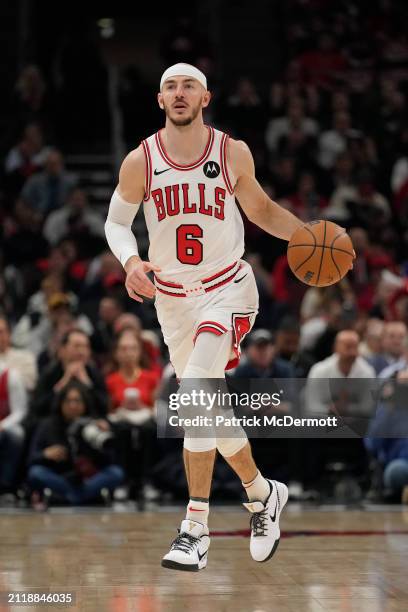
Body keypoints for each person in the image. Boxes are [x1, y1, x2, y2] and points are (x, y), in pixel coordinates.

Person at [104, 62, 306, 572]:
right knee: (206, 405)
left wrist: (307, 234)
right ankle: (263, 494)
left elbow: (260, 210)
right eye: (170, 86)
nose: (179, 93)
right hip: (172, 303)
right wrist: (131, 262)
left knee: (195, 391)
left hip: (228, 289)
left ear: (205, 97)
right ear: (158, 99)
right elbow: (116, 222)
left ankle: (195, 527)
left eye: (188, 85)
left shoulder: (230, 151)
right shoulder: (141, 161)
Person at [27, 381, 124, 507]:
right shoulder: (47, 425)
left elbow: (111, 460)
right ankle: (80, 498)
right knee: (36, 472)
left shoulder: (94, 424)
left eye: (77, 401)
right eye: (68, 401)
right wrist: (45, 454)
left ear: (85, 404)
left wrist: (104, 434)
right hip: (60, 478)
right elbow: (30, 459)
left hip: (88, 479)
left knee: (116, 472)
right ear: (61, 403)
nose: (72, 406)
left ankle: (70, 498)